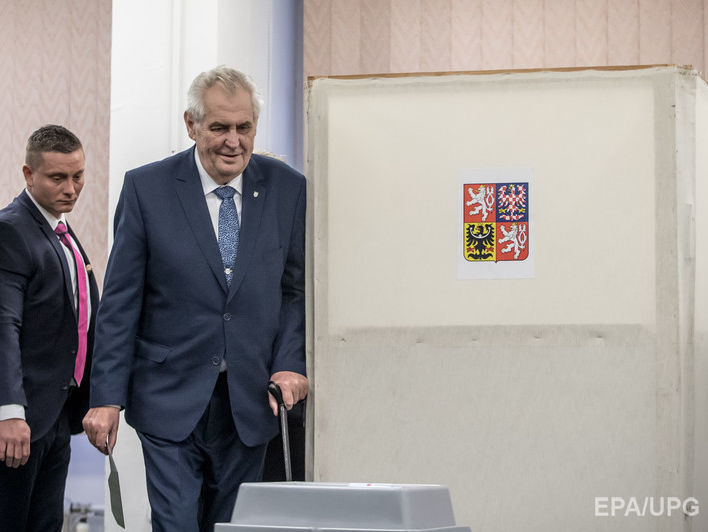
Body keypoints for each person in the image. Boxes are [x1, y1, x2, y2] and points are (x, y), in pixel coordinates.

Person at [83, 66, 308, 531]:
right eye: (219, 127)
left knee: (232, 525)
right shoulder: (147, 188)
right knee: (176, 523)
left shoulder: (287, 188)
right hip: (167, 395)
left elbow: (295, 291)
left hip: (251, 398)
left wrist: (290, 364)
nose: (233, 141)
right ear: (191, 124)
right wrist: (106, 397)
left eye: (244, 127)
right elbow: (120, 303)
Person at [0, 125, 99, 531]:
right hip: (20, 420)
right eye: (57, 178)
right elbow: (4, 325)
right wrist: (9, 412)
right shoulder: (11, 229)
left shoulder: (60, 228)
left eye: (78, 176)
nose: (71, 189)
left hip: (57, 414)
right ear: (28, 174)